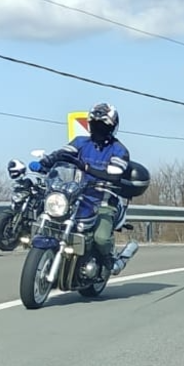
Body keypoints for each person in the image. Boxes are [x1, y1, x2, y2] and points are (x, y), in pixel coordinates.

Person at [29, 102, 128, 272]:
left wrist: (87, 168)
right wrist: (46, 162)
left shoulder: (118, 150)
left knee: (101, 238)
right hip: (77, 195)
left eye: (103, 125)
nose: (98, 128)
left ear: (111, 127)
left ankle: (109, 262)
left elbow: (115, 174)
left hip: (104, 201)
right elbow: (63, 154)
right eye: (95, 124)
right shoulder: (81, 142)